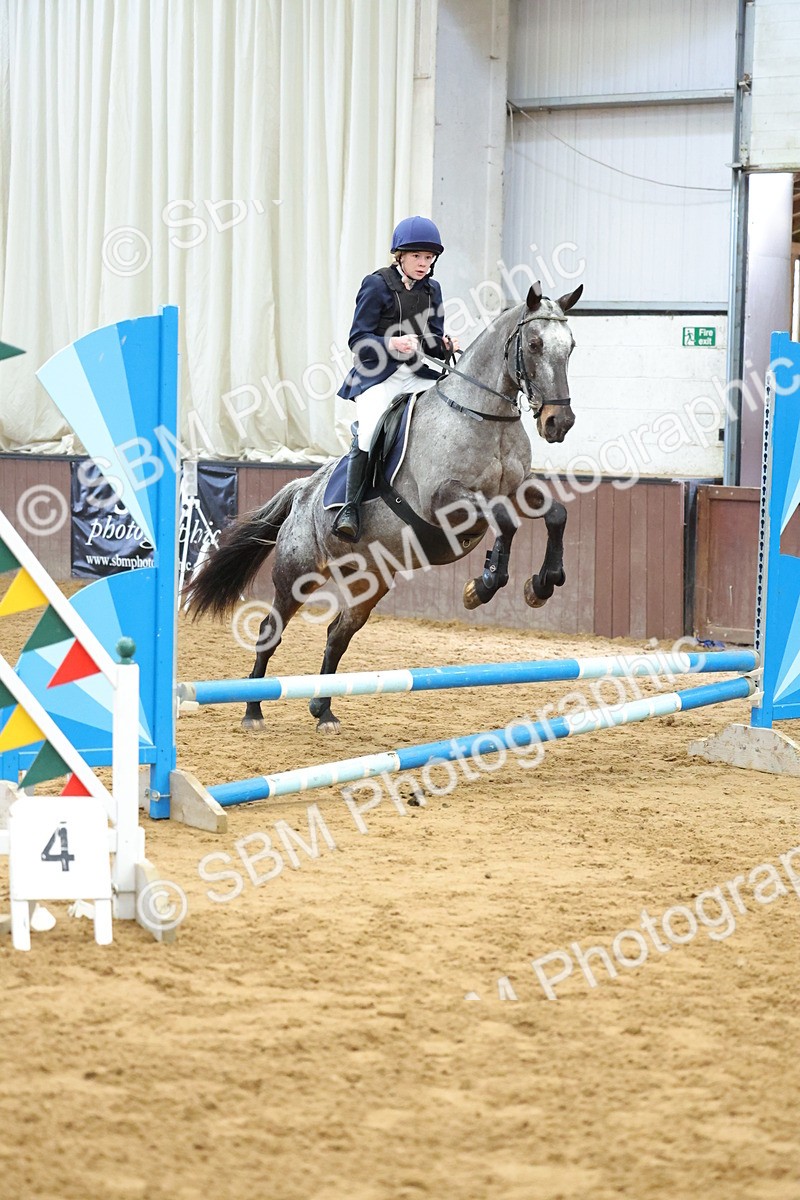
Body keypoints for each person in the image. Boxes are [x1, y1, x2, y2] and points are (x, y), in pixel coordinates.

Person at [333, 215, 456, 541]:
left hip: (417, 374)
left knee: (452, 409)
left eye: (429, 258)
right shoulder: (376, 285)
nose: (424, 264)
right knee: (371, 430)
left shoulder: (433, 289)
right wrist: (391, 343)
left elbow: (432, 340)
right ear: (400, 255)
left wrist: (444, 345)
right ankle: (350, 508)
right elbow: (358, 341)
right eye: (417, 256)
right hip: (378, 376)